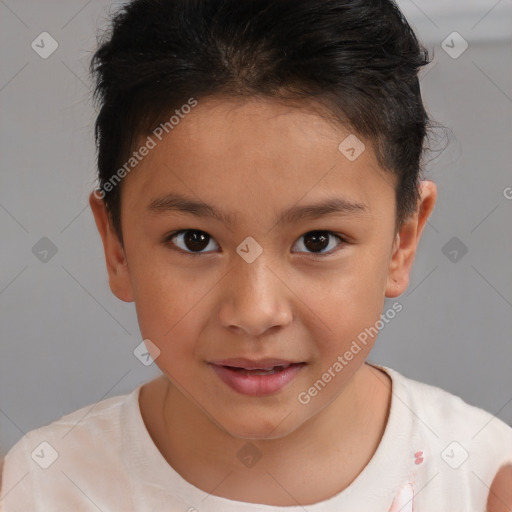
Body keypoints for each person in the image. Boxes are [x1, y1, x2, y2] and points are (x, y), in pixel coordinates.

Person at [1, 0, 511, 510]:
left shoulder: (482, 483)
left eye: (318, 240)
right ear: (117, 247)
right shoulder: (40, 487)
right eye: (194, 240)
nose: (254, 313)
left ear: (403, 241)